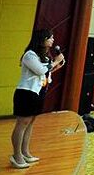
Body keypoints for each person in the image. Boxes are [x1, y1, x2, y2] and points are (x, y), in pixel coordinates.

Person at [10, 30, 65, 169]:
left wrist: (56, 66)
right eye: (50, 38)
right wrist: (55, 62)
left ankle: (25, 152)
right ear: (42, 39)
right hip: (26, 92)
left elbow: (44, 73)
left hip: (38, 92)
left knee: (30, 123)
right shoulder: (30, 55)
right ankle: (16, 155)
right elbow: (40, 70)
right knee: (22, 123)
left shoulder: (43, 56)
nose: (52, 40)